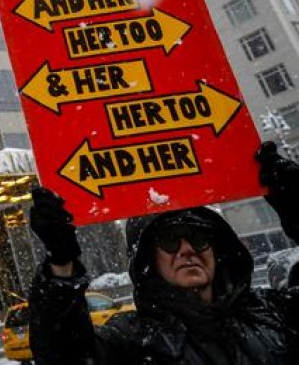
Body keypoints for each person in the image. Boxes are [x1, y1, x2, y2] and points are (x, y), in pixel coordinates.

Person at [27, 141, 299, 364]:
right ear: (149, 259)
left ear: (217, 250)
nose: (187, 249)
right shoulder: (131, 340)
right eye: (170, 241)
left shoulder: (273, 312)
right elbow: (64, 358)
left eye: (197, 237)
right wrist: (60, 263)